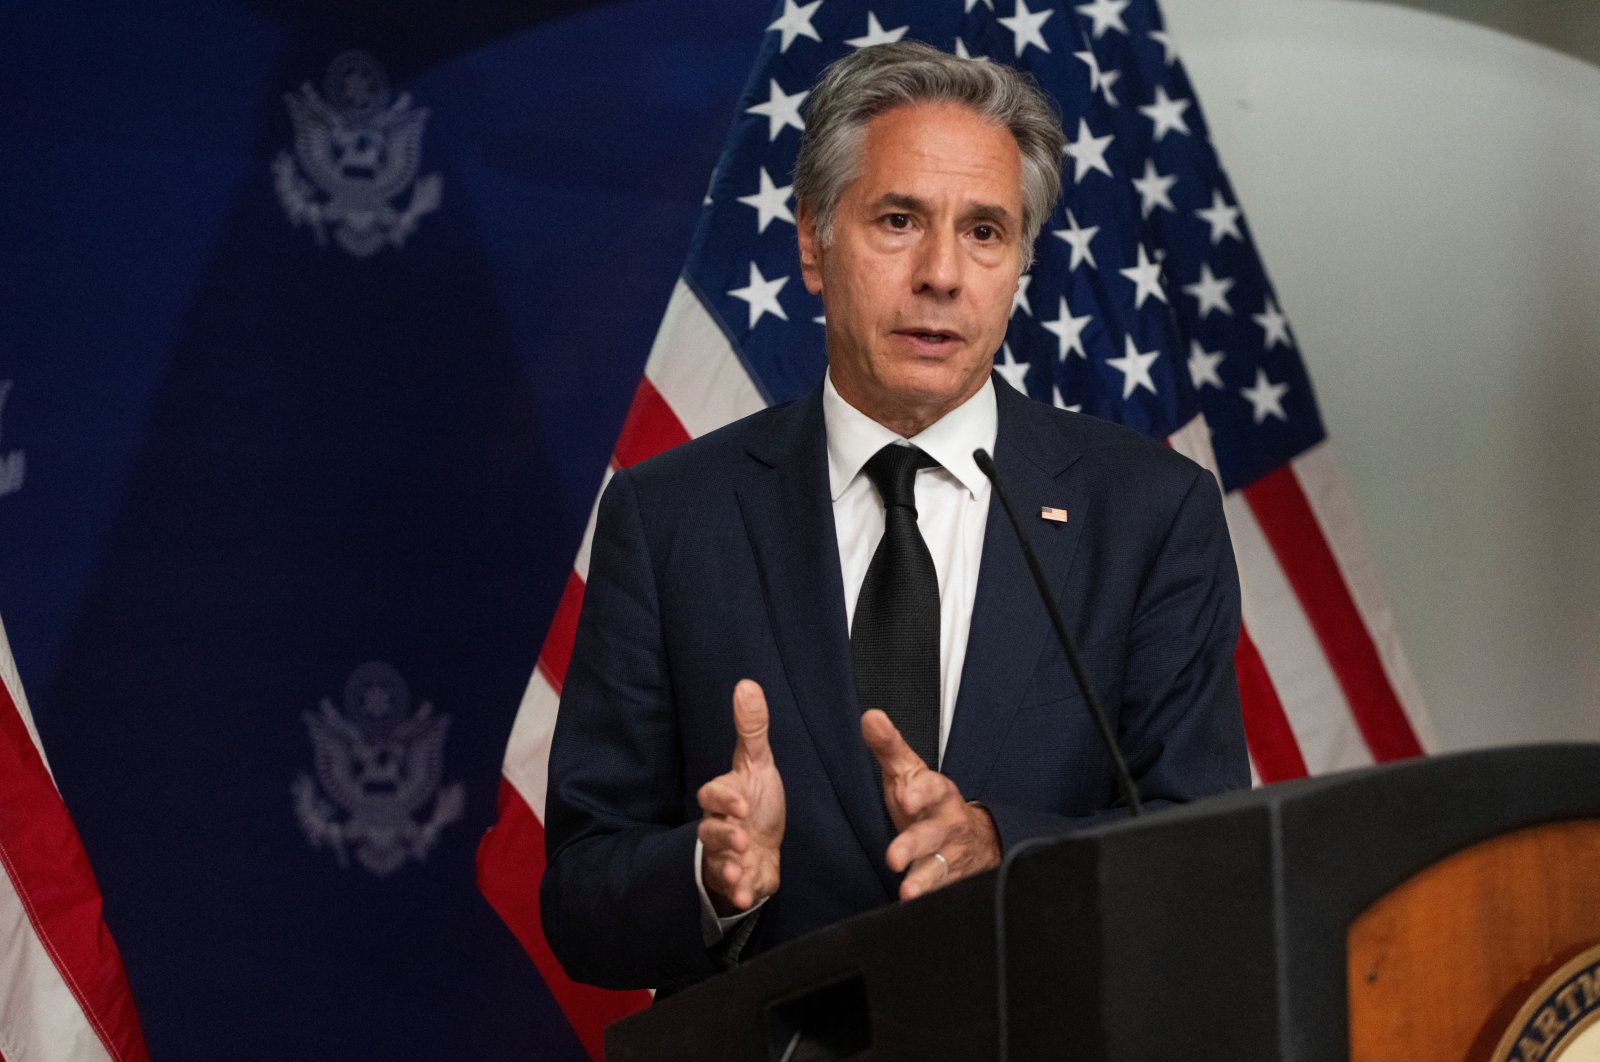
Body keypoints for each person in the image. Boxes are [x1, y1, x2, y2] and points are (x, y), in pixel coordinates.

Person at [540, 41, 1248, 994]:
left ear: (1021, 263)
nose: (943, 274)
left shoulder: (1152, 515)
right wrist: (708, 876)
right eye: (899, 219)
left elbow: (1203, 855)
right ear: (811, 243)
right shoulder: (670, 519)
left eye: (986, 231)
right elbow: (581, 893)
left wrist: (1003, 846)